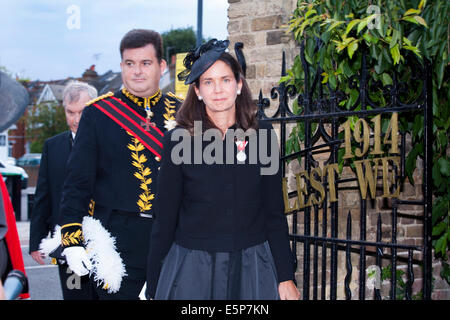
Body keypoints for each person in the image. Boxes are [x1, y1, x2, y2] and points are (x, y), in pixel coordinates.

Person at [146, 39, 300, 300]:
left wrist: (285, 276)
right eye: (208, 82)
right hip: (193, 269)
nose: (218, 89)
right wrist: (153, 285)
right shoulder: (178, 140)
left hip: (253, 266)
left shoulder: (262, 136)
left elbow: (274, 212)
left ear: (239, 85)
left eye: (225, 80)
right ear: (197, 91)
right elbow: (165, 218)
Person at [58, 29, 182, 300]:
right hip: (117, 243)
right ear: (121, 66)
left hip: (174, 239)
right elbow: (77, 182)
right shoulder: (97, 113)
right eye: (130, 63)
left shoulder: (185, 113)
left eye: (145, 63)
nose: (137, 71)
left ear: (162, 66)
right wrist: (72, 238)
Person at [29, 80, 98, 299]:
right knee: (75, 295)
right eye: (70, 112)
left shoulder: (110, 144)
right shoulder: (53, 146)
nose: (76, 119)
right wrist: (36, 241)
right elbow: (44, 195)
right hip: (67, 240)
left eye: (82, 112)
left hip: (104, 240)